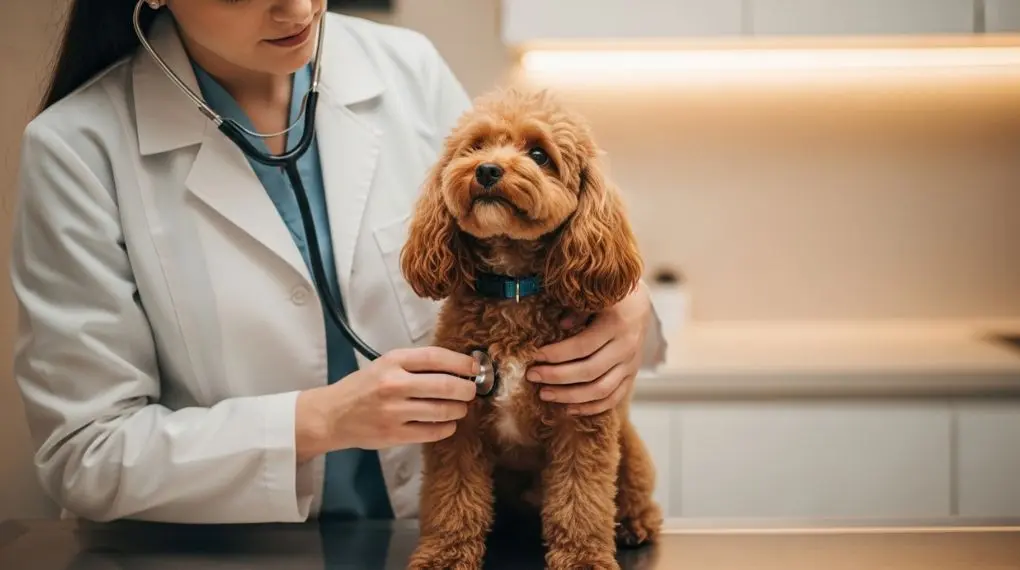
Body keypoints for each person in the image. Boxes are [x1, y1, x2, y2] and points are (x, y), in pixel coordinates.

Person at [9, 0, 667, 524]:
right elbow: (85, 456)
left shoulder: (404, 66)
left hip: (424, 532)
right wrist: (320, 421)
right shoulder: (77, 149)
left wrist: (628, 304)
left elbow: (545, 230)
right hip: (232, 549)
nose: (296, 10)